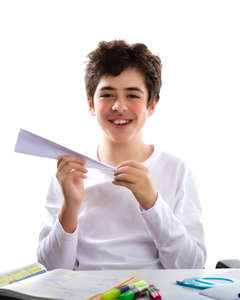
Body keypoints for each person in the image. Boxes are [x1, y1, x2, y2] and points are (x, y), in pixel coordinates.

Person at [37, 40, 206, 270]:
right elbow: (51, 270)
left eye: (133, 95)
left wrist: (152, 202)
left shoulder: (177, 171)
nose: (119, 106)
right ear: (91, 105)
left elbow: (192, 267)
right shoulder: (70, 171)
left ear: (152, 105)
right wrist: (70, 206)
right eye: (107, 94)